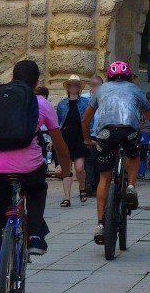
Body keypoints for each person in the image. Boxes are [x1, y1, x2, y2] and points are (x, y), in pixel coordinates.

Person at [0, 60, 70, 293]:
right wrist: (65, 170)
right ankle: (37, 236)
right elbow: (59, 145)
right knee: (38, 188)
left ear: (13, 77)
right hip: (27, 167)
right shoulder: (41, 103)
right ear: (37, 82)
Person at [82, 60, 150, 245]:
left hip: (105, 133)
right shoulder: (134, 90)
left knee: (104, 178)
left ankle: (101, 225)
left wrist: (87, 139)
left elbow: (86, 120)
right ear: (128, 76)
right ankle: (131, 187)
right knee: (134, 154)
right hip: (128, 130)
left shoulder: (100, 89)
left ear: (109, 76)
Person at [55, 75, 89, 207]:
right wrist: (55, 140)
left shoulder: (85, 103)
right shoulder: (62, 104)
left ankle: (82, 188)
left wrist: (91, 136)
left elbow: (89, 120)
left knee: (79, 169)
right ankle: (67, 198)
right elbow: (58, 123)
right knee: (66, 169)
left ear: (79, 88)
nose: (73, 87)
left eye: (76, 85)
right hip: (66, 138)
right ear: (68, 87)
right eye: (71, 85)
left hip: (80, 138)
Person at [82, 74, 103, 196]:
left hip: (101, 134)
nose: (94, 87)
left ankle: (97, 185)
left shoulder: (104, 99)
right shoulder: (84, 99)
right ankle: (89, 183)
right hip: (88, 134)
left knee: (100, 160)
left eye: (97, 85)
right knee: (89, 160)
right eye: (93, 85)